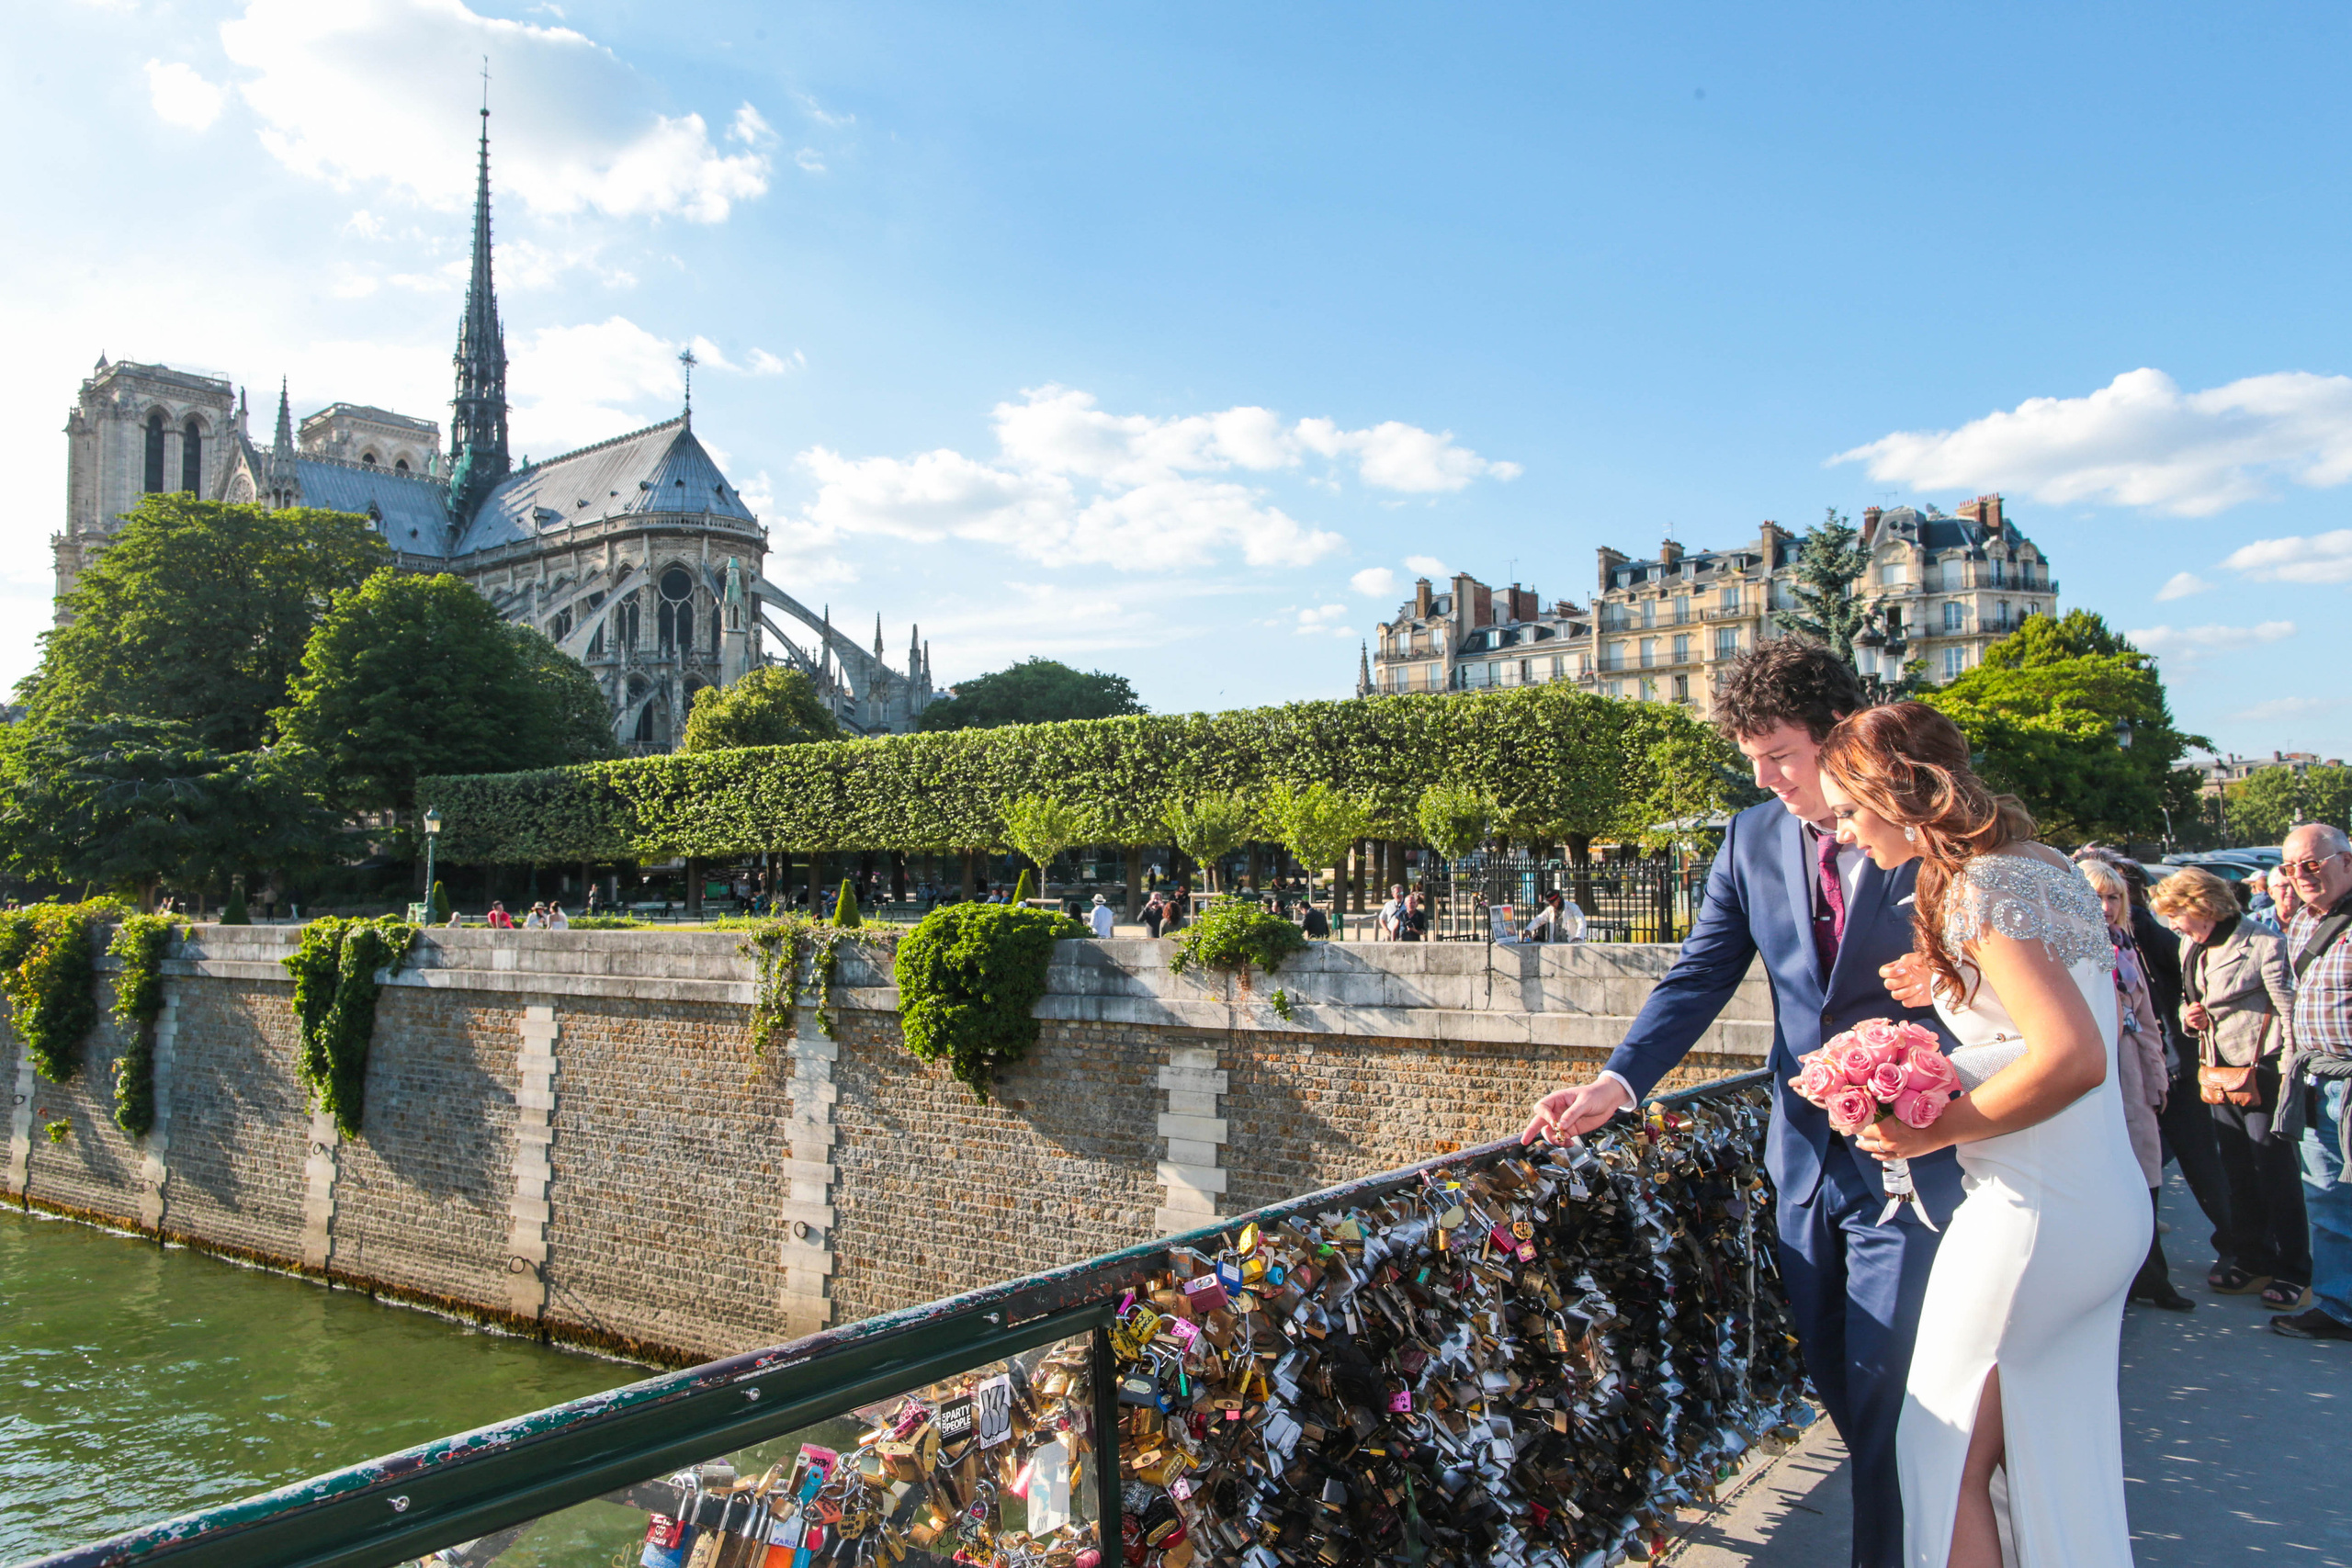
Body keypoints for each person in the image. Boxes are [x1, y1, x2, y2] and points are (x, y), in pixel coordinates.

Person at [1522, 642, 1959, 1568]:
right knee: (1840, 1376)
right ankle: (1948, 1515)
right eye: (1752, 760)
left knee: (1890, 1393)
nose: (1765, 780)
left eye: (1781, 757)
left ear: (1840, 737)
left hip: (1919, 1152)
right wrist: (1619, 1081)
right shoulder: (1751, 837)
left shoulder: (1928, 830)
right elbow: (1698, 975)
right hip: (1802, 1154)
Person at [1825, 703, 2147, 1568]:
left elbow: (2072, 1057)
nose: (1848, 837)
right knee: (2050, 1449)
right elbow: (2068, 1012)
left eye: (1848, 814)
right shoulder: (2039, 865)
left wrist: (1935, 1130)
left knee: (1946, 1450)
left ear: (1895, 795)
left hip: (2029, 1211)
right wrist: (1947, 980)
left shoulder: (1983, 886)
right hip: (2095, 1197)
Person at [2152, 865, 2309, 1309]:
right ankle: (2254, 1260)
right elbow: (2188, 1002)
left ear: (2200, 906)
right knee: (2238, 1173)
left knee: (2275, 1173)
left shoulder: (2263, 943)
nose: (2172, 925)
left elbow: (2290, 1012)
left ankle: (2295, 1268)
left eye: (2176, 914)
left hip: (2264, 1073)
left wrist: (2292, 1078)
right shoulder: (2190, 945)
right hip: (2219, 1076)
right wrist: (2188, 1018)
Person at [2082, 857, 2192, 1311]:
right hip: (2093, 1079)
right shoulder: (2065, 948)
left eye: (2114, 897)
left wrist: (2156, 1076)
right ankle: (2115, 1284)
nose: (2106, 907)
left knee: (2145, 1180)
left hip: (2133, 1077)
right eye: (2097, 896)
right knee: (2103, 1184)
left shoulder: (2125, 947)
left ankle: (2152, 1276)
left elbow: (2145, 1020)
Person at [2272, 822, 2352, 1340]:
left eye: (2313, 864)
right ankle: (2337, 1306)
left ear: (2347, 861)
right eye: (2291, 867)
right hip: (2313, 1079)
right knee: (2324, 1196)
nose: (2301, 875)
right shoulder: (2302, 922)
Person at [1522, 889, 1587, 943]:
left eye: (1552, 903)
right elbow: (1538, 920)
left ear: (1558, 900)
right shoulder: (1550, 909)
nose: (1551, 905)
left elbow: (1581, 922)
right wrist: (1528, 929)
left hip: (1571, 943)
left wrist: (1578, 936)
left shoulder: (1572, 907)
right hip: (1555, 945)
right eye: (1549, 903)